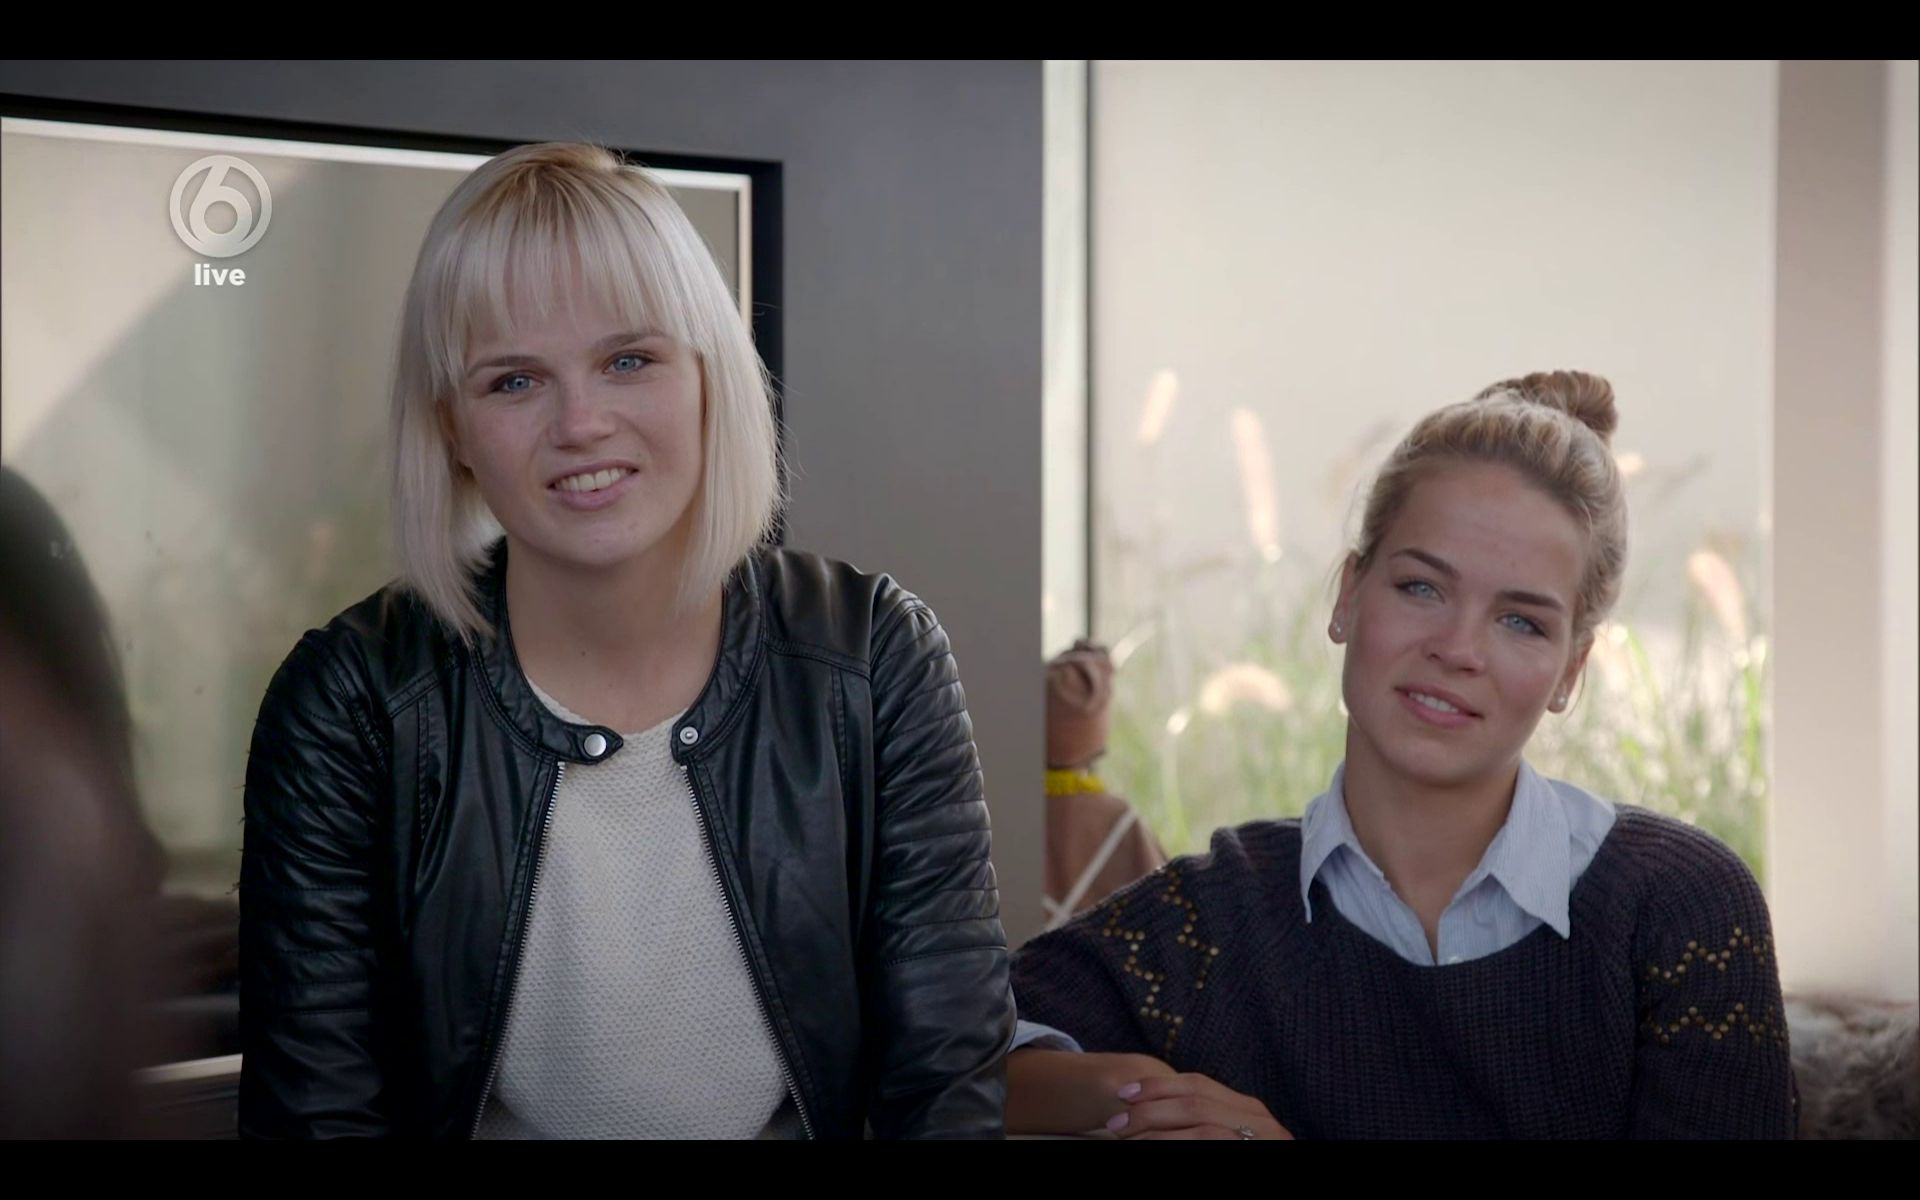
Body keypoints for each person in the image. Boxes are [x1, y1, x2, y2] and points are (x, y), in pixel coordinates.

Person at [238, 142, 1013, 1140]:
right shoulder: (351, 701)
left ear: (708, 377)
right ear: (452, 431)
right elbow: (316, 1112)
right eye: (514, 381)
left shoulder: (873, 659)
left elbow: (945, 1086)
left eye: (629, 360)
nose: (582, 423)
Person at [1006, 371, 1797, 1140]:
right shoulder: (1207, 923)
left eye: (1521, 622)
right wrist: (1132, 1092)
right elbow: (953, 1062)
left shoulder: (1680, 910)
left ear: (1570, 672)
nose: (1457, 648)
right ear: (1348, 596)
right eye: (1422, 587)